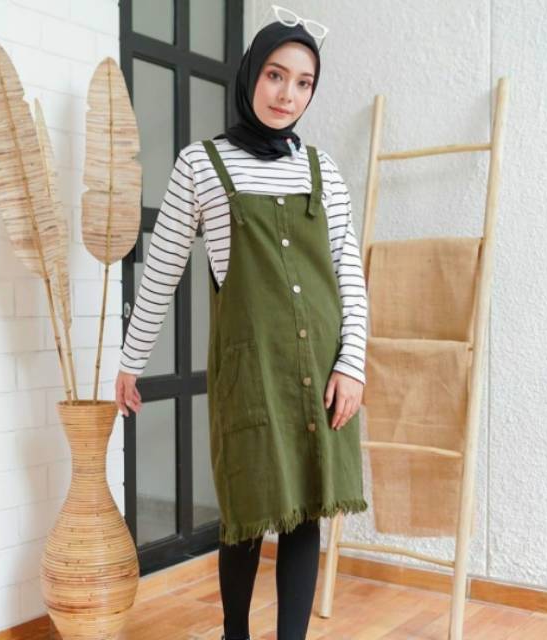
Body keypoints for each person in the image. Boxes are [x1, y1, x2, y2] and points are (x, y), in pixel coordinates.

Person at [115, 13, 368, 640]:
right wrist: (130, 362)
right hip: (250, 372)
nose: (288, 95)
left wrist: (352, 364)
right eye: (276, 75)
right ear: (251, 73)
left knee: (305, 513)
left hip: (320, 369)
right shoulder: (200, 166)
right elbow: (162, 270)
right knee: (246, 511)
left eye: (304, 83)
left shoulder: (323, 170)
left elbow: (349, 273)